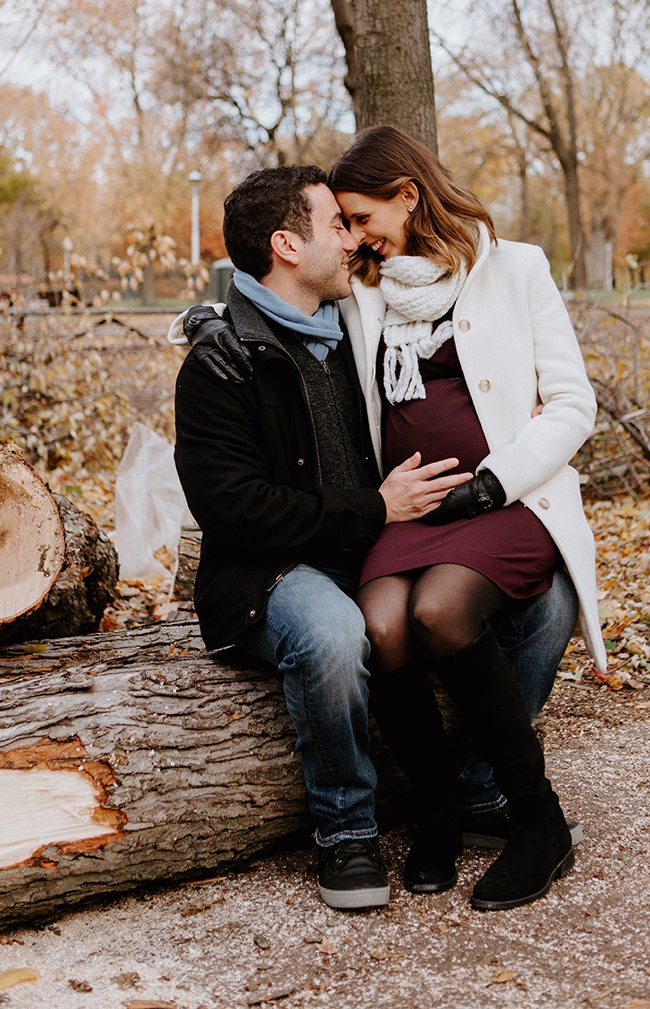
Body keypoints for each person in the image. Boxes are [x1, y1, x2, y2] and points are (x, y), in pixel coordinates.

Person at [173, 165, 473, 912]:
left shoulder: (358, 327)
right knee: (336, 633)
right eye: (334, 225)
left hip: (375, 550)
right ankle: (346, 832)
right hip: (271, 572)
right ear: (285, 244)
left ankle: (478, 790)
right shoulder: (220, 365)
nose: (352, 240)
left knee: (536, 601)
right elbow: (234, 510)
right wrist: (373, 510)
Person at [324, 125, 606, 912]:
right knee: (381, 624)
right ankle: (440, 814)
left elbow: (574, 402)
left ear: (407, 195)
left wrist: (490, 484)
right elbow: (292, 299)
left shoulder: (513, 268)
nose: (353, 234)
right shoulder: (365, 288)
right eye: (342, 224)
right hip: (409, 512)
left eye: (360, 216)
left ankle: (537, 821)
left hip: (505, 499)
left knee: (440, 611)